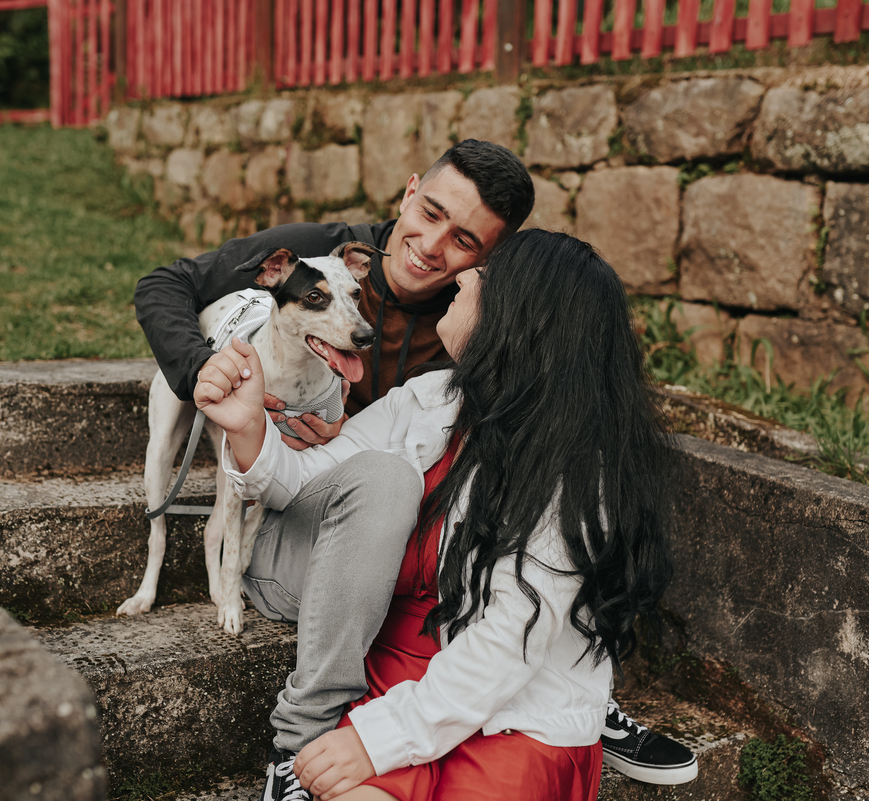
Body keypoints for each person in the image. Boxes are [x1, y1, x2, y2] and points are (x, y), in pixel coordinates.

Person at [134, 141, 697, 794]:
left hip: (433, 578)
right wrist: (218, 388)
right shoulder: (324, 257)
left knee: (513, 565)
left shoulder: (494, 377)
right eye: (429, 213)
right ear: (407, 193)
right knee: (390, 481)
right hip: (347, 516)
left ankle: (572, 680)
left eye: (467, 248)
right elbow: (165, 285)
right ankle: (306, 738)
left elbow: (519, 603)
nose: (435, 251)